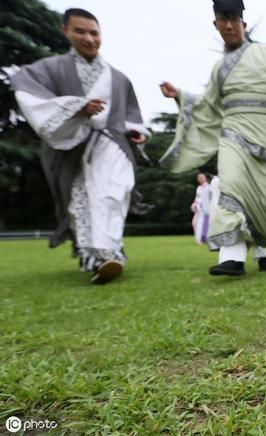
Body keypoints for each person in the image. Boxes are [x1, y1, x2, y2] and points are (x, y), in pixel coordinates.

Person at [159, 0, 266, 276]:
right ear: (216, 25)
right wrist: (181, 96)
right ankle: (231, 256)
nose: (230, 24)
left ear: (243, 24)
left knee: (262, 203)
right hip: (232, 135)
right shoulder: (219, 69)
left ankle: (260, 248)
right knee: (230, 186)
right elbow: (208, 106)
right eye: (224, 19)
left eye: (234, 19)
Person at [11, 8, 150, 284]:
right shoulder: (47, 69)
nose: (89, 38)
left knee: (113, 193)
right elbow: (27, 92)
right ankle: (97, 256)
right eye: (80, 31)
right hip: (71, 147)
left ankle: (107, 253)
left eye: (94, 32)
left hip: (111, 142)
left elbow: (131, 115)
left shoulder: (118, 78)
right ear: (66, 31)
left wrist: (135, 132)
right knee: (80, 203)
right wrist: (75, 107)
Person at [191, 173, 211, 244]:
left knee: (205, 224)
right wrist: (194, 204)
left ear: (205, 178)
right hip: (199, 208)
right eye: (199, 178)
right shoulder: (198, 188)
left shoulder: (209, 187)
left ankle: (203, 239)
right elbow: (197, 198)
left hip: (206, 209)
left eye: (202, 178)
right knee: (195, 223)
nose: (201, 179)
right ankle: (199, 239)